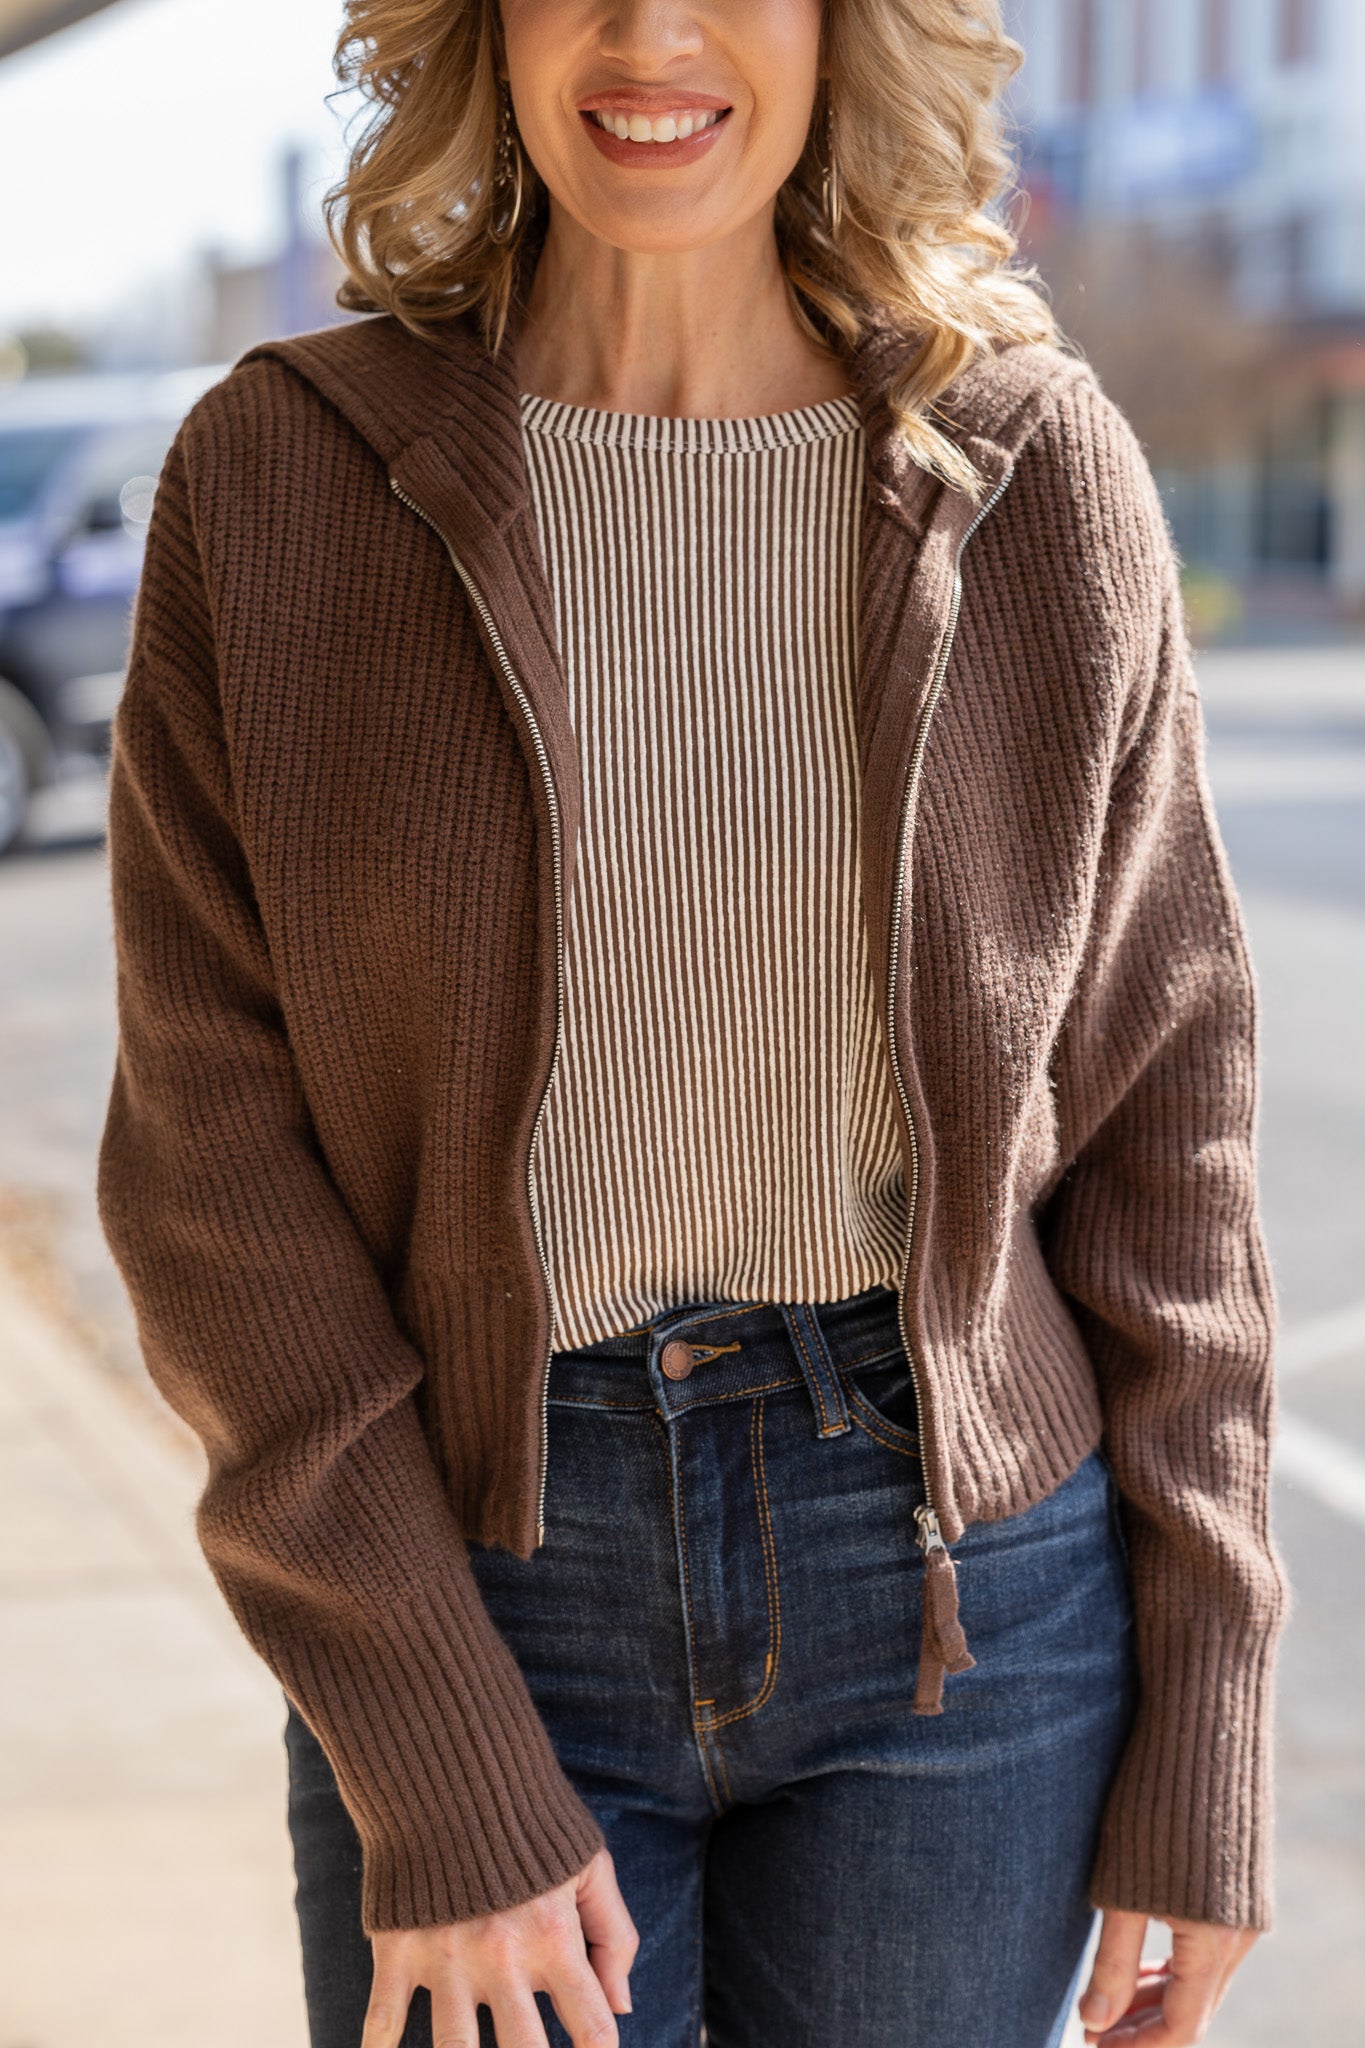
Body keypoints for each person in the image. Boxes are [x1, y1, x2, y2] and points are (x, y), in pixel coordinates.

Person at [95, 0, 1291, 2043]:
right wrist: (425, 1735)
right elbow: (210, 1175)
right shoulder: (279, 477)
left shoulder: (1025, 471)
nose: (651, 33)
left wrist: (1208, 1724)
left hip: (956, 1595)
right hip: (478, 1566)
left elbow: (1165, 1131)